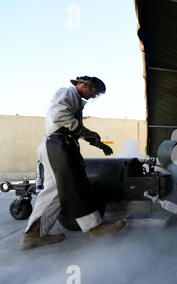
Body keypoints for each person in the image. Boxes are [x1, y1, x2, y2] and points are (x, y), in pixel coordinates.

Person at [19, 76, 126, 250]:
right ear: (84, 85)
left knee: (53, 192)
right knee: (77, 185)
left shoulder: (75, 100)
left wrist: (97, 142)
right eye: (93, 92)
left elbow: (73, 126)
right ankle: (95, 227)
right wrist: (86, 131)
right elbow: (60, 117)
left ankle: (33, 235)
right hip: (59, 146)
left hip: (57, 145)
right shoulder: (67, 92)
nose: (93, 96)